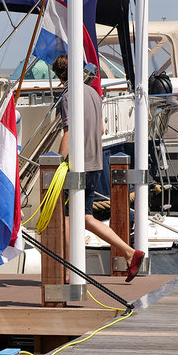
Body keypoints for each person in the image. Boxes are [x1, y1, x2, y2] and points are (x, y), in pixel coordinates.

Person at [53, 54, 144, 282]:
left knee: (66, 218)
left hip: (76, 166)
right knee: (85, 217)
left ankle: (67, 272)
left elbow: (68, 132)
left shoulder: (68, 96)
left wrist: (57, 164)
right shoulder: (93, 93)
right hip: (95, 163)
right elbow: (101, 130)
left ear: (59, 75)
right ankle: (129, 252)